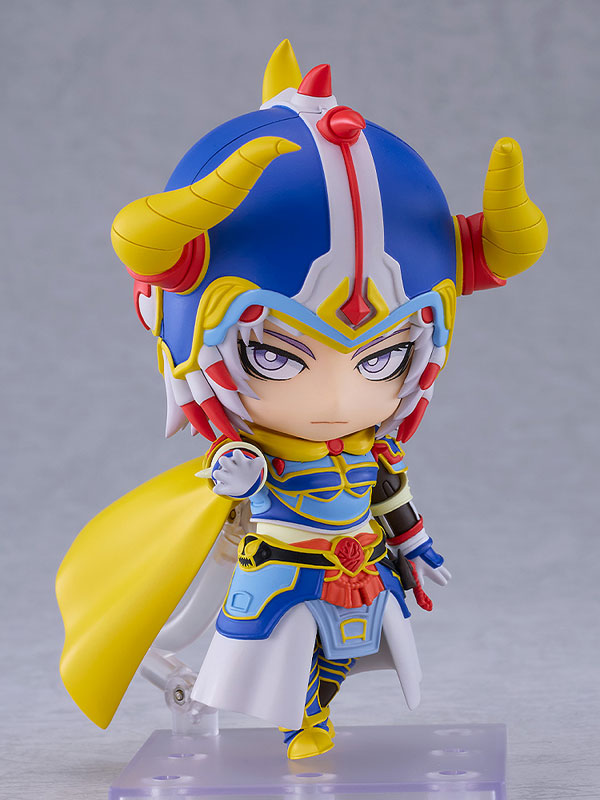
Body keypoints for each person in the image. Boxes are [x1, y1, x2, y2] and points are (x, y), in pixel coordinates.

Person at [56, 40, 547, 760]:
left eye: (382, 358)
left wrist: (414, 545)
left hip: (358, 562)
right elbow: (244, 484)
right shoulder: (259, 454)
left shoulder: (373, 448)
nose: (341, 397)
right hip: (283, 566)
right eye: (277, 357)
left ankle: (316, 712)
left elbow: (391, 495)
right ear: (189, 332)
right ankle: (300, 721)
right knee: (276, 647)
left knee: (354, 645)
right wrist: (238, 477)